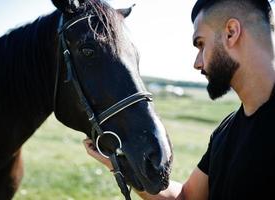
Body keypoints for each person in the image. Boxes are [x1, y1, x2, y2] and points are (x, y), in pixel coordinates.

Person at [83, 0, 275, 199]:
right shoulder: (226, 131)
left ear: (231, 32)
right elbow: (187, 197)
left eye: (201, 44)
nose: (197, 63)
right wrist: (119, 164)